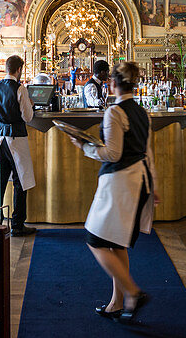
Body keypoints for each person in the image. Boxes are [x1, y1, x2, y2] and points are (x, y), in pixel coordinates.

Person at [68, 61, 156, 324]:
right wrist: (155, 187)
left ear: (113, 84)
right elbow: (147, 152)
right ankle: (115, 303)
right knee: (116, 244)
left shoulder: (114, 113)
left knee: (94, 238)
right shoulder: (142, 112)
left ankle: (132, 292)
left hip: (119, 183)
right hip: (139, 180)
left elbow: (113, 153)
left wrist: (83, 145)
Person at [0, 55, 37, 236]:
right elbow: (28, 117)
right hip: (17, 139)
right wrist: (30, 104)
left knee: (0, 181)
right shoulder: (20, 89)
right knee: (20, 182)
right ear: (18, 70)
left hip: (1, 139)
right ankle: (17, 225)